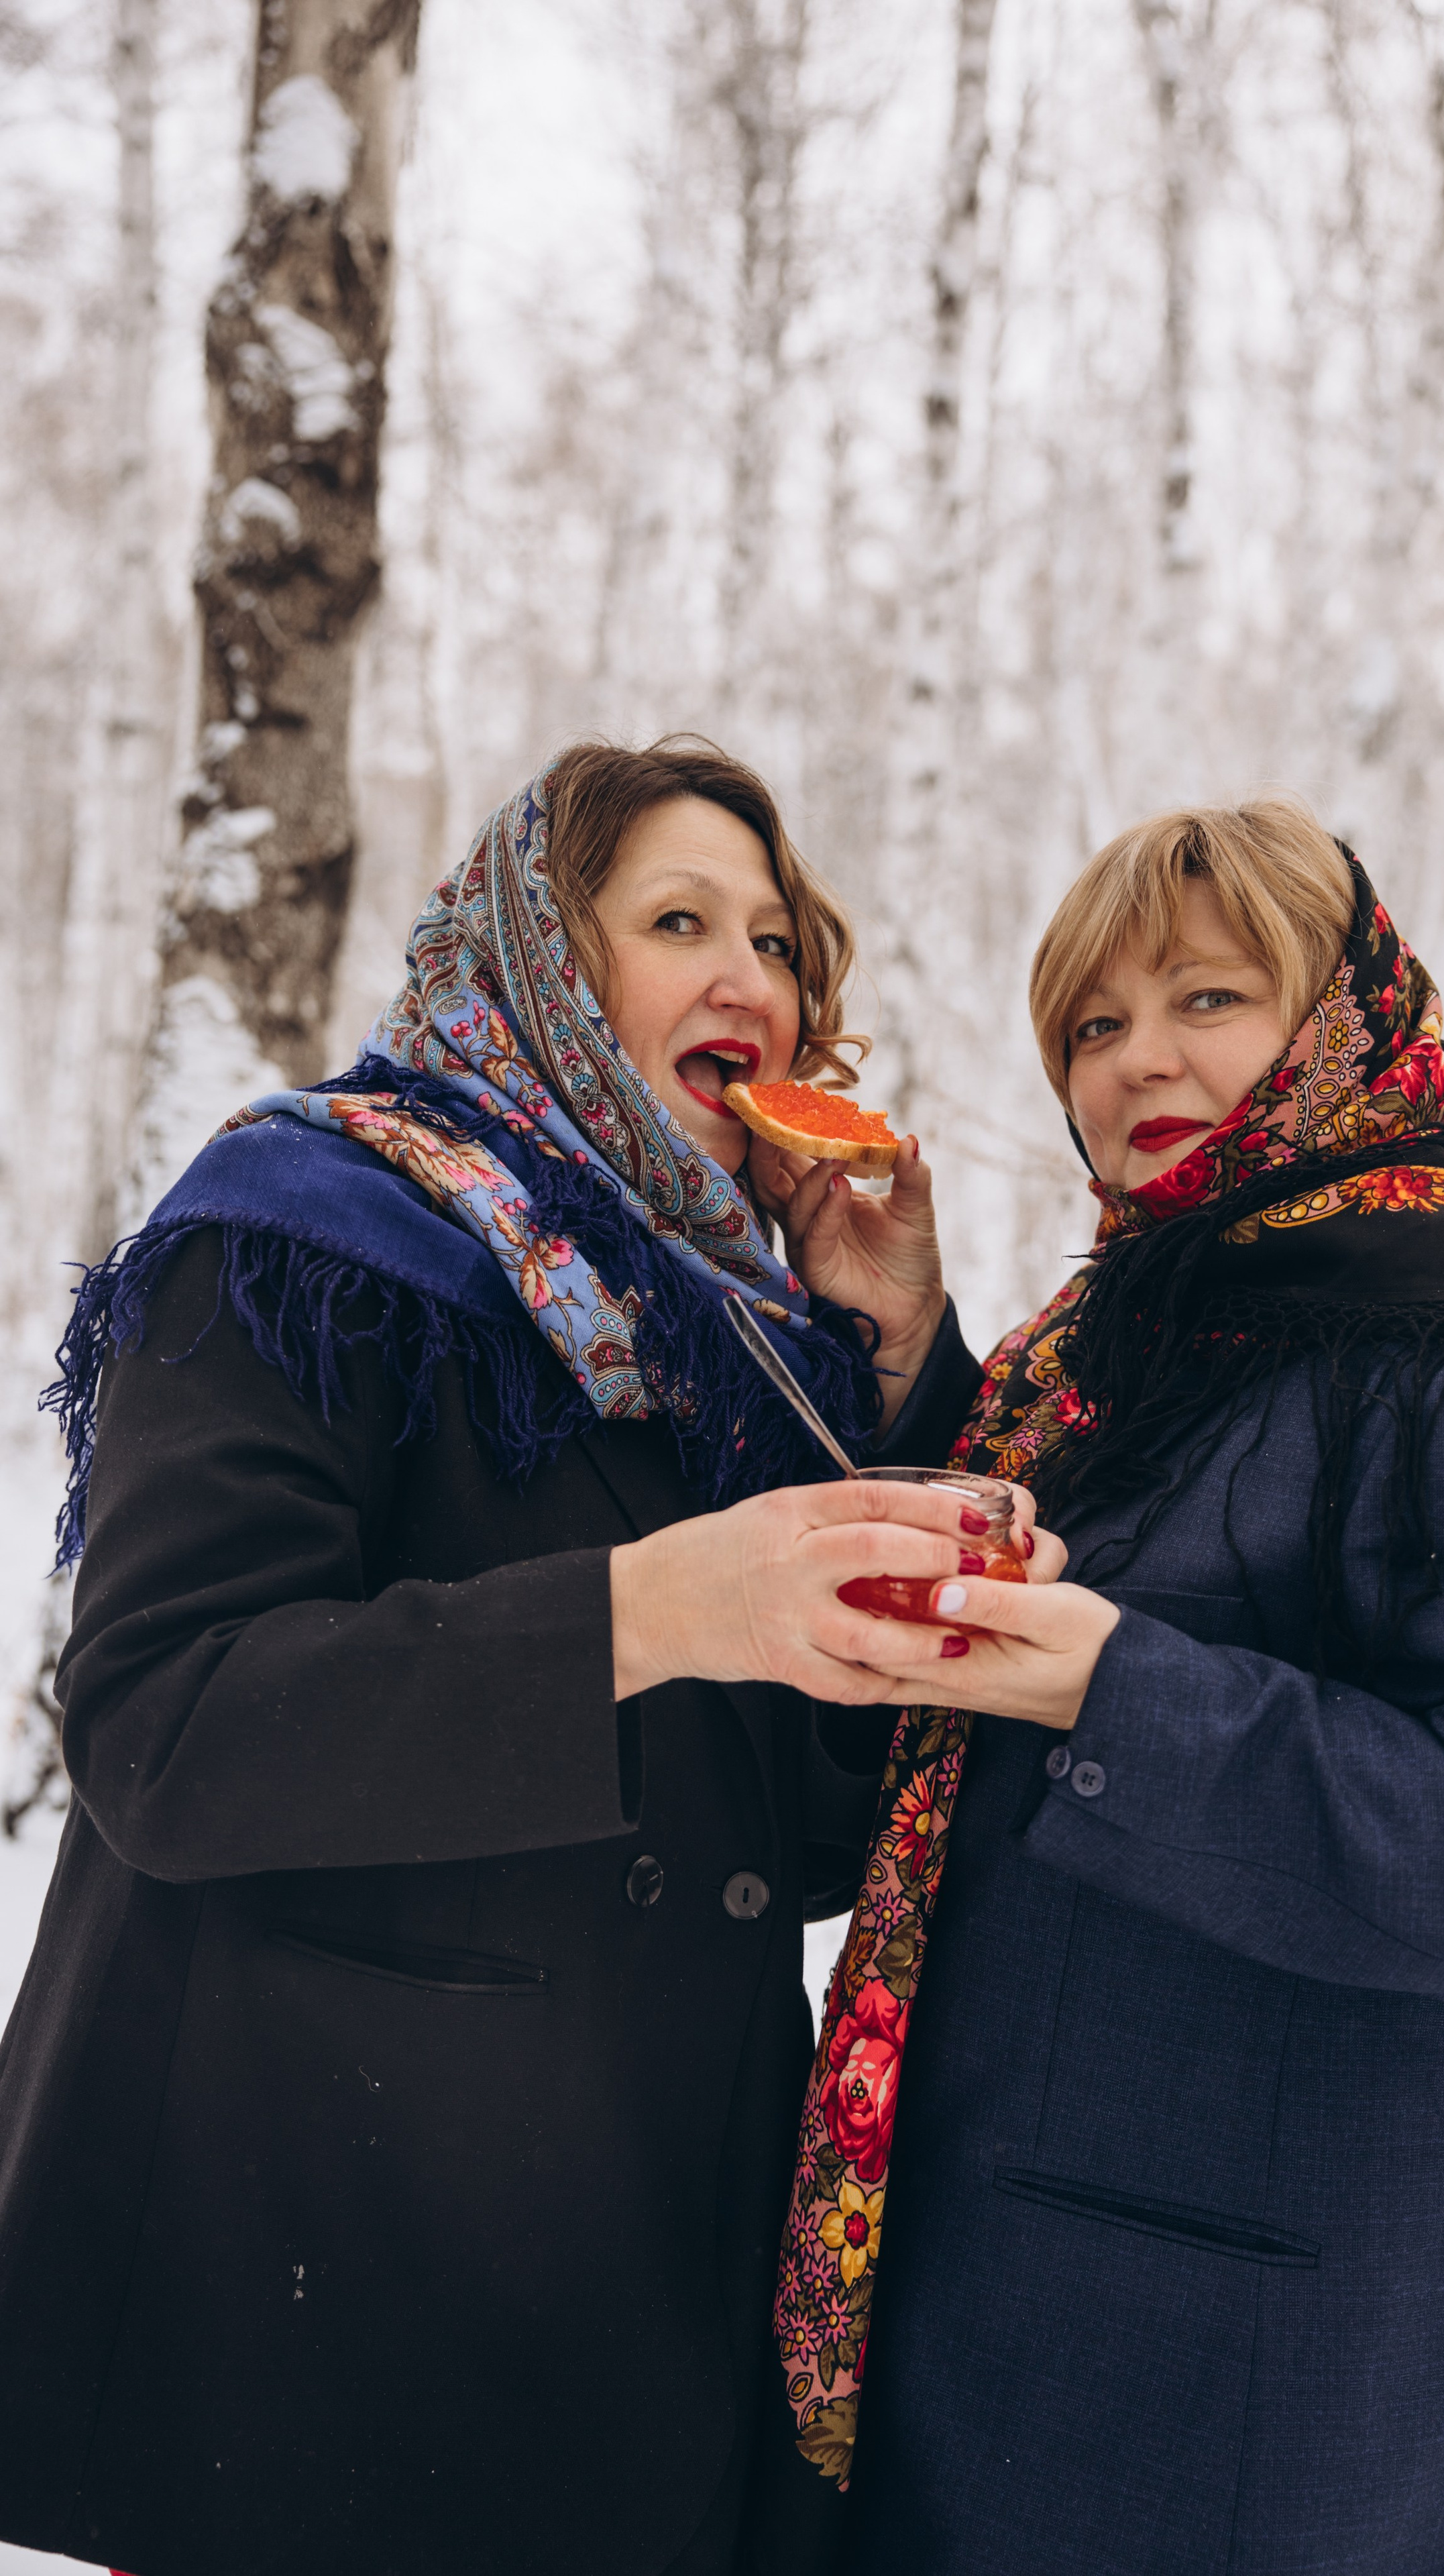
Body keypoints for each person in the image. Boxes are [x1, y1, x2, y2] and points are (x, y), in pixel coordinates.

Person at [0, 738, 1019, 2576]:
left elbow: (815, 1819)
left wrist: (896, 1363)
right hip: (326, 2271)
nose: (753, 984)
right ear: (539, 959)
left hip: (635, 2267)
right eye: (679, 922)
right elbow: (167, 1726)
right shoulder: (300, 1231)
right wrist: (653, 1615)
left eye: (779, 943)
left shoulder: (726, 1318)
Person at [772, 800, 1444, 2574]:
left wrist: (1121, 1698)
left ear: (1347, 1017)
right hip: (1052, 2290)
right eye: (1093, 1026)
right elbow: (1086, 1577)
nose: (1140, 1064)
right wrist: (914, 1356)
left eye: (1206, 997)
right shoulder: (1155, 1325)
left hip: (1259, 2366)